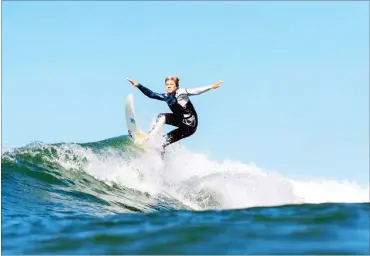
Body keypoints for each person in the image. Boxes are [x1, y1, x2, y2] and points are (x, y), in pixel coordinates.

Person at [126, 76, 224, 153]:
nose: (168, 86)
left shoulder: (180, 93)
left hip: (189, 125)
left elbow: (195, 91)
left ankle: (148, 136)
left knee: (162, 116)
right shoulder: (166, 96)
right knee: (162, 142)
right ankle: (160, 159)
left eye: (171, 84)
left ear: (176, 86)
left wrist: (210, 86)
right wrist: (138, 85)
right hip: (180, 122)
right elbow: (151, 94)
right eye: (167, 84)